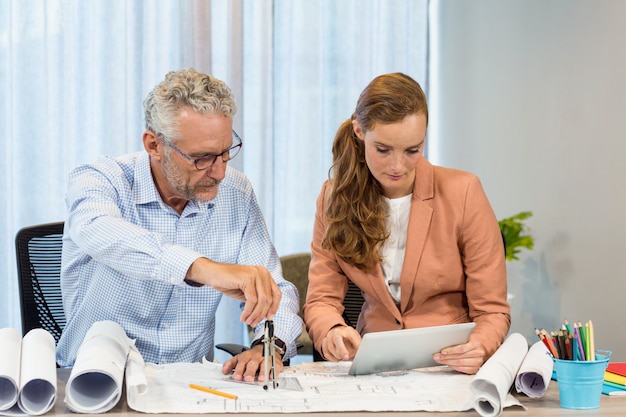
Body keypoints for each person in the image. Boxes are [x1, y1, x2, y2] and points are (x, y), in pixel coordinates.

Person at [57, 68, 302, 382]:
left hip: (190, 385)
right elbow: (99, 230)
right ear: (154, 145)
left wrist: (268, 345)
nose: (219, 173)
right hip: (96, 381)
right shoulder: (101, 179)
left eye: (226, 153)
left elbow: (275, 289)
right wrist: (204, 268)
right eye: (201, 158)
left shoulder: (236, 194)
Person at [303, 72, 510, 375]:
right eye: (383, 150)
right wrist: (332, 331)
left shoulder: (463, 192)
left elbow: (492, 310)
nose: (398, 166)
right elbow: (321, 299)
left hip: (448, 365)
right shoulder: (332, 198)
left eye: (413, 150)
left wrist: (480, 345)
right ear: (360, 132)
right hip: (374, 365)